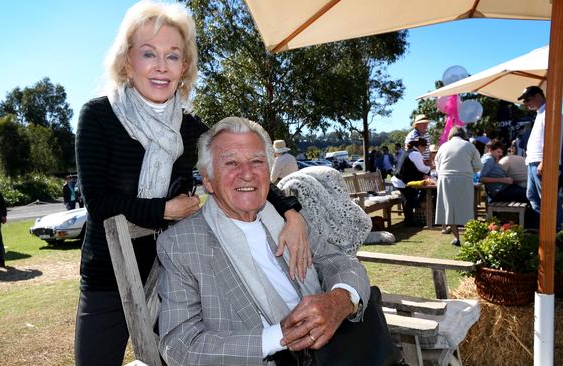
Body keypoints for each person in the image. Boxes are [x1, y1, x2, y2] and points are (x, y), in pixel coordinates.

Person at [73, 3, 310, 364]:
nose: (161, 65)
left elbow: (243, 168)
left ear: (184, 67)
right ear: (126, 62)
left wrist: (291, 213)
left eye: (173, 56)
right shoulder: (98, 116)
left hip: (170, 272)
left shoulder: (190, 127)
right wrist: (162, 210)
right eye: (148, 53)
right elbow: (99, 203)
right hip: (108, 275)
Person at [158, 117, 396, 366]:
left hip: (333, 354)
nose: (247, 174)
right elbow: (179, 344)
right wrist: (279, 336)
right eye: (231, 163)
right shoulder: (181, 244)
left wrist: (340, 299)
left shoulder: (289, 222)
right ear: (208, 180)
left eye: (257, 162)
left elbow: (341, 262)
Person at [519, 85, 563, 227]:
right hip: (534, 161)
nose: (526, 104)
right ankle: (547, 228)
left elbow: (553, 139)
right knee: (533, 196)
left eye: (528, 100)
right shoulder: (542, 113)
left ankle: (556, 230)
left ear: (538, 96)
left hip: (541, 161)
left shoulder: (550, 112)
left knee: (548, 199)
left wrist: (544, 161)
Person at [434, 127, 482, 246]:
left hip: (445, 178)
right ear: (463, 134)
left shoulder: (443, 146)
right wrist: (469, 169)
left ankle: (456, 238)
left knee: (449, 209)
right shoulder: (470, 146)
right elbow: (478, 166)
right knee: (466, 208)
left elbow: (437, 166)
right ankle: (470, 238)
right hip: (464, 178)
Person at [391, 138, 430, 226]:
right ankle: (409, 221)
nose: (424, 150)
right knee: (408, 200)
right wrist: (430, 168)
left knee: (409, 199)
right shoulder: (415, 153)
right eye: (424, 147)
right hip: (401, 180)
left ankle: (410, 220)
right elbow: (422, 168)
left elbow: (415, 169)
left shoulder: (410, 152)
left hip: (401, 179)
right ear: (419, 146)